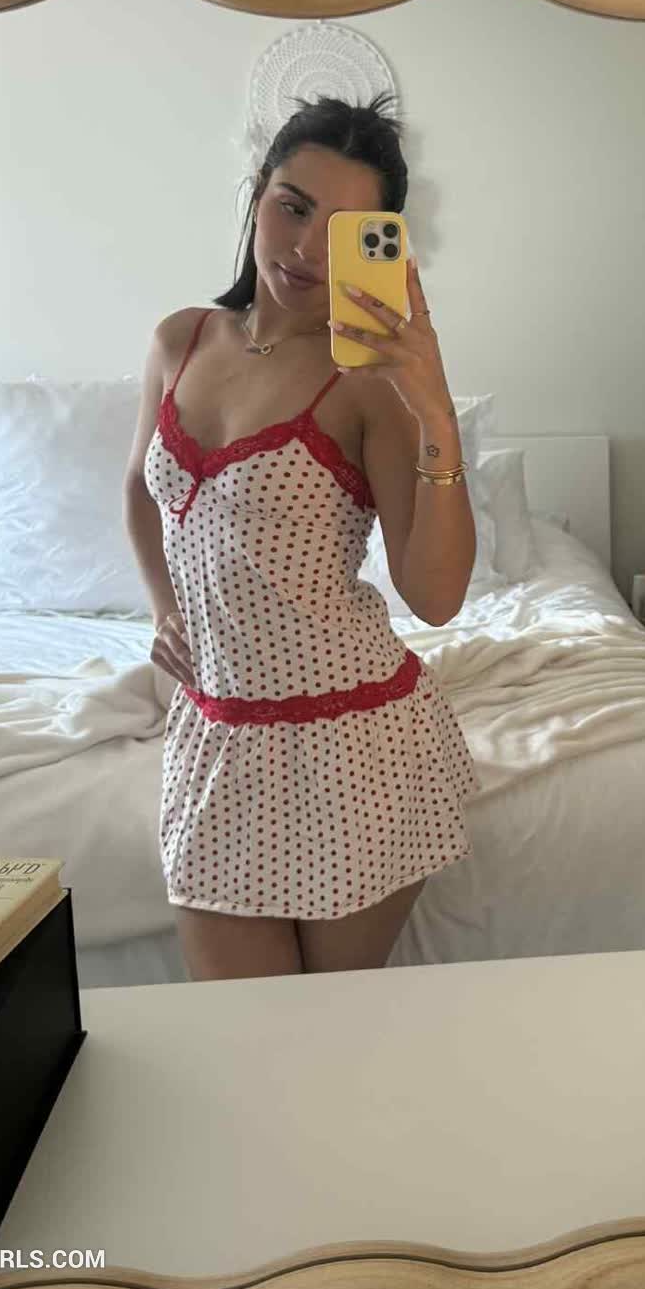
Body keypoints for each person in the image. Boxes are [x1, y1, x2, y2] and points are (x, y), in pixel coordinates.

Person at [122, 92, 478, 982]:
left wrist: (435, 413)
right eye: (292, 207)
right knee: (240, 1030)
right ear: (256, 195)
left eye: (345, 230)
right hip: (213, 732)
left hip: (354, 741)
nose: (307, 248)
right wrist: (165, 609)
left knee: (329, 1033)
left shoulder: (368, 385)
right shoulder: (179, 340)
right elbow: (140, 490)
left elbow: (435, 597)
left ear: (383, 245)